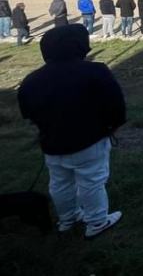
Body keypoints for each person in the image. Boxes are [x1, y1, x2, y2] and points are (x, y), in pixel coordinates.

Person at [17, 25, 125, 238]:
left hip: (52, 143)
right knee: (92, 181)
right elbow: (116, 105)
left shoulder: (31, 80)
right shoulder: (95, 71)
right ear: (79, 46)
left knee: (59, 182)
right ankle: (97, 222)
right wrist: (112, 126)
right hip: (90, 140)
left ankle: (67, 219)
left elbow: (27, 113)